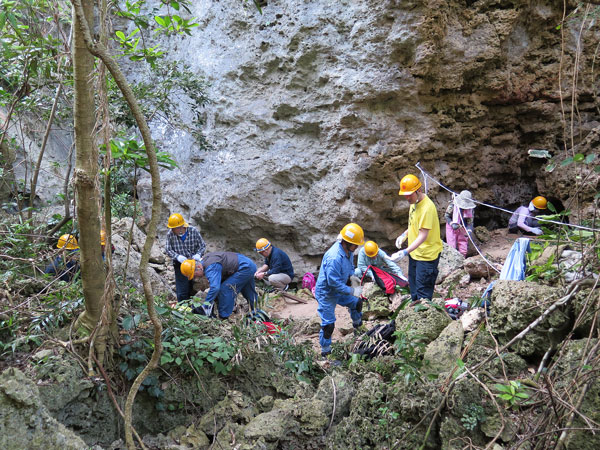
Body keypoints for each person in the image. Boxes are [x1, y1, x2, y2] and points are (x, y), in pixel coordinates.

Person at [315, 223, 365, 357]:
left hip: (340, 289)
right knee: (328, 325)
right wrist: (352, 291)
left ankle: (358, 331)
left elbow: (349, 268)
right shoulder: (334, 257)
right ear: (346, 242)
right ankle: (326, 353)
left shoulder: (348, 251)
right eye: (355, 245)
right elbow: (333, 283)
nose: (357, 247)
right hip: (327, 293)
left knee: (357, 303)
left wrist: (354, 282)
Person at [393, 174, 443, 304]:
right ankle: (414, 313)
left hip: (426, 256)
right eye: (405, 194)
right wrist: (404, 235)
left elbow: (423, 235)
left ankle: (425, 318)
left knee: (423, 292)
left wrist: (404, 252)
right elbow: (414, 225)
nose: (407, 197)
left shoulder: (427, 208)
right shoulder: (414, 203)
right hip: (415, 254)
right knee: (414, 287)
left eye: (410, 194)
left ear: (418, 190)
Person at [179, 252, 258, 319]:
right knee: (249, 291)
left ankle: (224, 316)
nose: (196, 278)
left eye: (195, 275)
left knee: (226, 288)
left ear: (199, 267)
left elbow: (215, 288)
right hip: (247, 264)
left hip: (244, 267)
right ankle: (257, 312)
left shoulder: (210, 267)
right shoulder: (206, 260)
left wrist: (206, 305)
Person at [164, 213, 206, 302]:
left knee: (193, 285)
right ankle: (182, 308)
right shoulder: (170, 234)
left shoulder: (193, 231)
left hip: (193, 263)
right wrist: (177, 256)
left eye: (173, 228)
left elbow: (202, 246)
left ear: (180, 227)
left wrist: (198, 254)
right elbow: (168, 249)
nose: (172, 230)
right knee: (182, 289)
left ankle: (192, 307)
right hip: (180, 264)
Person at [444, 190, 476, 257]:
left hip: (463, 227)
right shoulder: (452, 205)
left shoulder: (470, 209)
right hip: (452, 226)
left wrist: (469, 230)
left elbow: (470, 222)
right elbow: (447, 216)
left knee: (463, 243)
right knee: (451, 245)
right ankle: (452, 259)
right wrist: (452, 223)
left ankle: (462, 258)